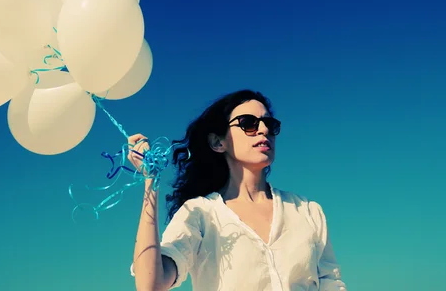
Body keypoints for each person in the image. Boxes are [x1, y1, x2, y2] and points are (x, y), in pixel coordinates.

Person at [128, 89, 347, 291]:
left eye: (269, 124)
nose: (263, 130)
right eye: (248, 123)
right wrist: (151, 181)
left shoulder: (308, 211)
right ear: (217, 142)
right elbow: (151, 284)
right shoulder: (200, 213)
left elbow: (332, 284)